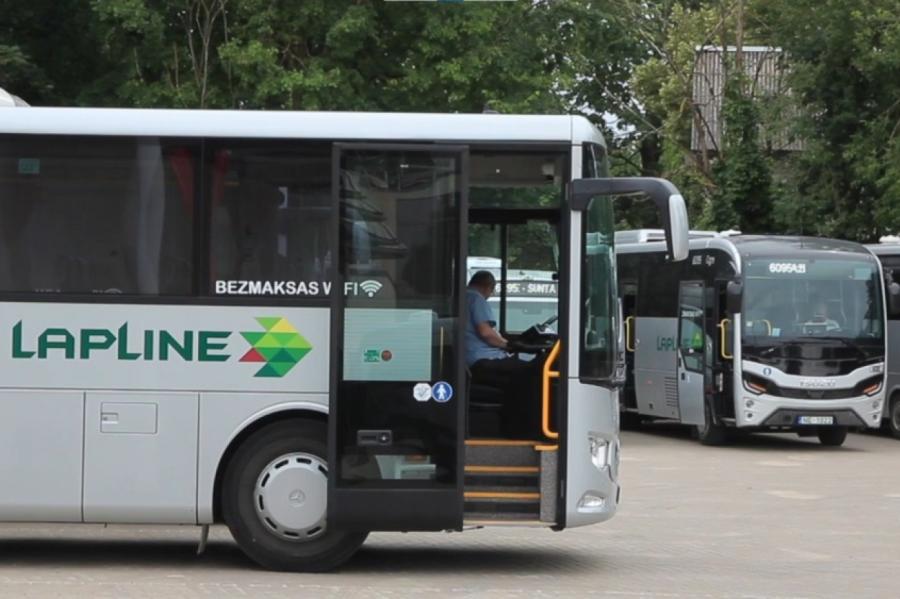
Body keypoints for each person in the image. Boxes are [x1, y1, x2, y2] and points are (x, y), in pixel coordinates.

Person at [466, 270, 538, 435]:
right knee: (533, 371)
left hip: (471, 361)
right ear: (488, 287)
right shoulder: (476, 299)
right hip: (482, 361)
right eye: (491, 291)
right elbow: (485, 332)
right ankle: (522, 428)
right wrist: (508, 346)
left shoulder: (460, 298)